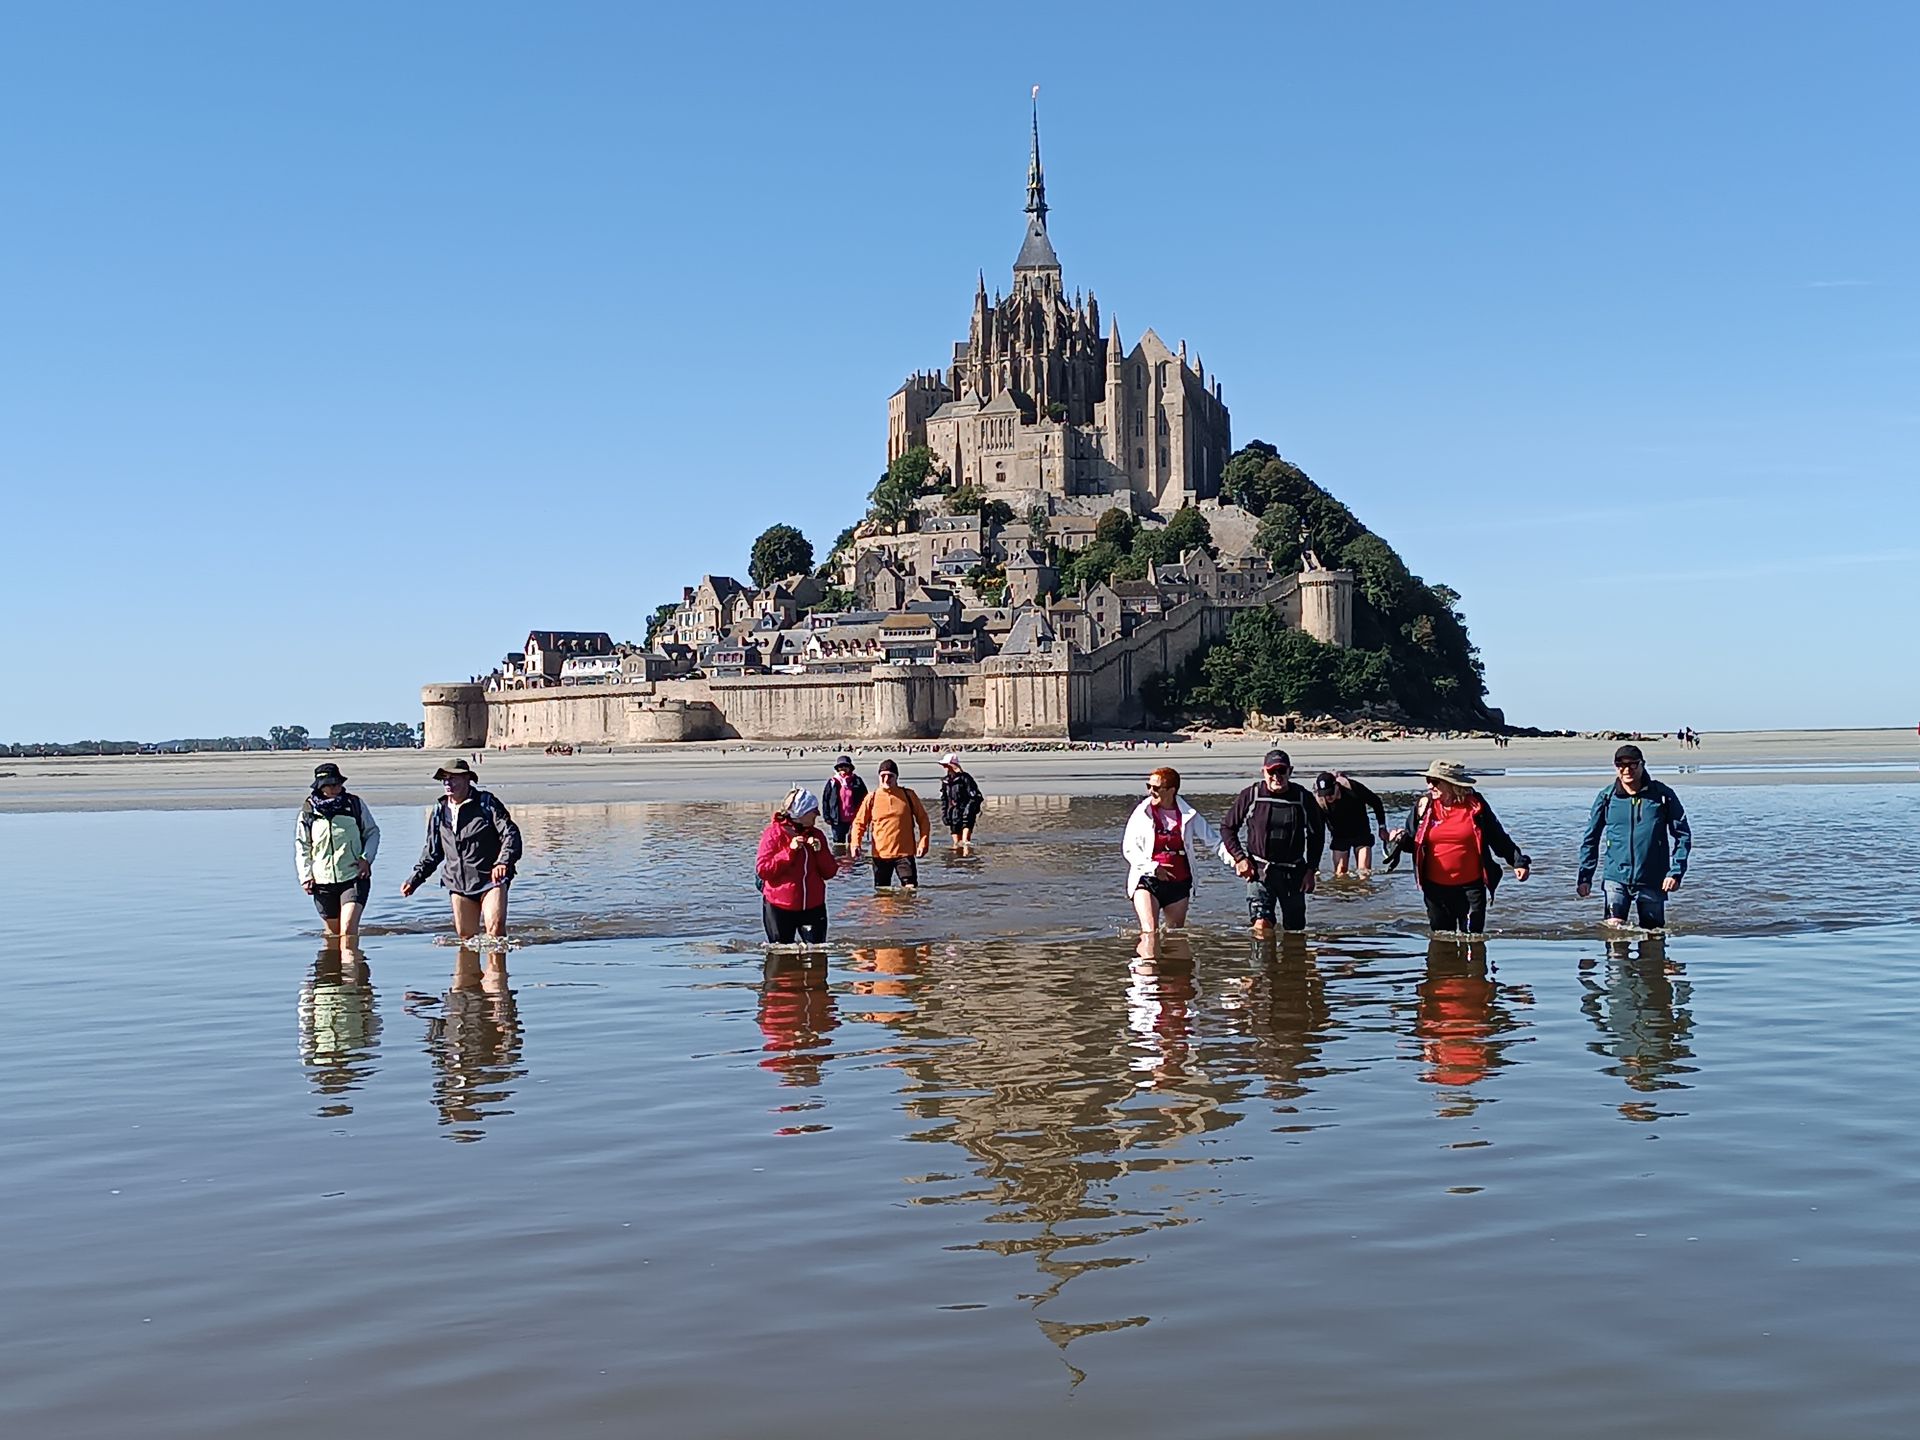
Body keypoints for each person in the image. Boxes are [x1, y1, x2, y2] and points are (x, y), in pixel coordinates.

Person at [1389, 759, 1530, 935]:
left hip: (1471, 887)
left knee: (1473, 937)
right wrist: (1398, 840)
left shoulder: (1475, 806)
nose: (1429, 786)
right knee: (1441, 938)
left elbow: (1496, 836)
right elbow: (1413, 843)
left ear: (1452, 784)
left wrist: (1518, 861)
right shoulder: (1424, 807)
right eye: (1428, 780)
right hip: (1435, 889)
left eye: (1434, 781)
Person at [401, 759, 523, 941]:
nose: (448, 783)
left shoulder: (486, 803)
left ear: (467, 779)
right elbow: (433, 852)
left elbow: (510, 834)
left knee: (496, 932)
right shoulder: (439, 811)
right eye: (445, 779)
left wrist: (503, 862)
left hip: (490, 879)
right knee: (467, 938)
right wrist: (415, 879)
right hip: (458, 883)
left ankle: (498, 960)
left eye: (453, 778)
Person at [1576, 743, 1692, 929]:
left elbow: (1683, 836)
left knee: (1653, 935)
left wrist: (1675, 873)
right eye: (1621, 765)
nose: (1627, 769)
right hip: (1615, 877)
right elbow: (1591, 839)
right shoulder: (1606, 797)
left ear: (1642, 764)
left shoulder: (1662, 796)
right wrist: (1585, 877)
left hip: (1652, 879)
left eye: (1632, 764)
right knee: (1614, 932)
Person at [1220, 749, 1327, 936]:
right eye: (1272, 772)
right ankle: (1263, 955)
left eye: (1281, 771)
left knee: (1295, 932)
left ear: (1290, 771)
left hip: (1294, 873)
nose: (1277, 777)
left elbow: (1316, 835)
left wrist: (1311, 870)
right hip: (1260, 872)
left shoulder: (1303, 798)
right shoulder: (1251, 795)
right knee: (1261, 926)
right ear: (1264, 772)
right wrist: (1240, 858)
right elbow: (1227, 828)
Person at [1123, 766, 1228, 937]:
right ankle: (1147, 953)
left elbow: (1214, 842)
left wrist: (1237, 861)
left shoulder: (1188, 814)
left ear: (1171, 790)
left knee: (1175, 937)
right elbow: (1129, 848)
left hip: (1178, 883)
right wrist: (1152, 867)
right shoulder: (1142, 812)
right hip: (1147, 879)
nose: (1150, 791)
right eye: (1148, 786)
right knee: (1150, 933)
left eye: (1156, 788)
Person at [296, 761, 380, 938]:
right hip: (322, 882)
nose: (336, 788)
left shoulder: (354, 804)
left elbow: (372, 833)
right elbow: (303, 845)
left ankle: (351, 957)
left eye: (338, 783)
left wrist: (366, 858)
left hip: (353, 876)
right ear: (320, 786)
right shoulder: (308, 811)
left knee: (348, 931)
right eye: (331, 784)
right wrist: (306, 876)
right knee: (333, 935)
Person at [756, 787, 839, 944]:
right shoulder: (774, 834)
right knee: (780, 954)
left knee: (817, 953)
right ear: (801, 812)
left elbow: (830, 872)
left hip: (813, 907)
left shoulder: (817, 835)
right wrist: (789, 851)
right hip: (779, 907)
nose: (817, 814)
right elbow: (763, 870)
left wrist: (820, 851)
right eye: (813, 810)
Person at [848, 759, 931, 890]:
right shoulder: (872, 797)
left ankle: (908, 905)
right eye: (883, 776)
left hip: (904, 853)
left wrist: (923, 841)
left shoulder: (908, 795)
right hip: (880, 855)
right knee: (882, 892)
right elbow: (859, 823)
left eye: (890, 776)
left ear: (896, 777)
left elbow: (923, 819)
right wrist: (855, 844)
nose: (886, 779)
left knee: (910, 890)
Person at [1312, 770, 1387, 877]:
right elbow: (1319, 833)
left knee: (1364, 871)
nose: (1328, 797)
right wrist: (1314, 864)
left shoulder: (1352, 788)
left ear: (1336, 786)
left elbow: (1376, 802)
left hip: (1361, 832)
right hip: (1340, 836)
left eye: (1330, 792)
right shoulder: (1320, 802)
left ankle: (1364, 887)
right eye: (1325, 794)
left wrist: (1382, 827)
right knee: (1340, 873)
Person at [821, 755, 868, 850]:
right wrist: (826, 816)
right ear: (837, 768)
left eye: (845, 766)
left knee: (854, 842)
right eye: (840, 767)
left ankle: (853, 858)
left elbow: (865, 798)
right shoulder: (832, 782)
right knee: (838, 844)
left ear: (850, 768)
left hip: (854, 818)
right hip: (837, 819)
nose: (843, 769)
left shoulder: (857, 781)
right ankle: (840, 858)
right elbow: (825, 800)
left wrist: (866, 815)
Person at [937, 752, 984, 849]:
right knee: (956, 844)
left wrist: (969, 811)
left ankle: (966, 856)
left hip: (966, 811)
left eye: (946, 765)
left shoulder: (965, 778)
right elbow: (944, 799)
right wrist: (945, 814)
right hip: (953, 813)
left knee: (965, 842)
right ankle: (958, 856)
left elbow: (975, 796)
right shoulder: (946, 781)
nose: (945, 767)